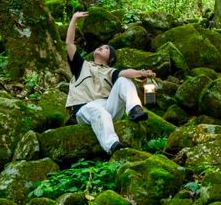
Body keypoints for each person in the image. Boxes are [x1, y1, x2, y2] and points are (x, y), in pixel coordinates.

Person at [65, 10, 156, 154]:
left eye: (107, 48)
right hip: (84, 108)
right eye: (101, 46)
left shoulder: (109, 72)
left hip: (107, 106)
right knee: (99, 111)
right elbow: (69, 44)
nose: (102, 47)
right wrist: (74, 19)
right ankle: (113, 145)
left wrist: (142, 73)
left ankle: (135, 109)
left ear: (110, 59)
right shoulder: (82, 65)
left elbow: (125, 73)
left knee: (123, 80)